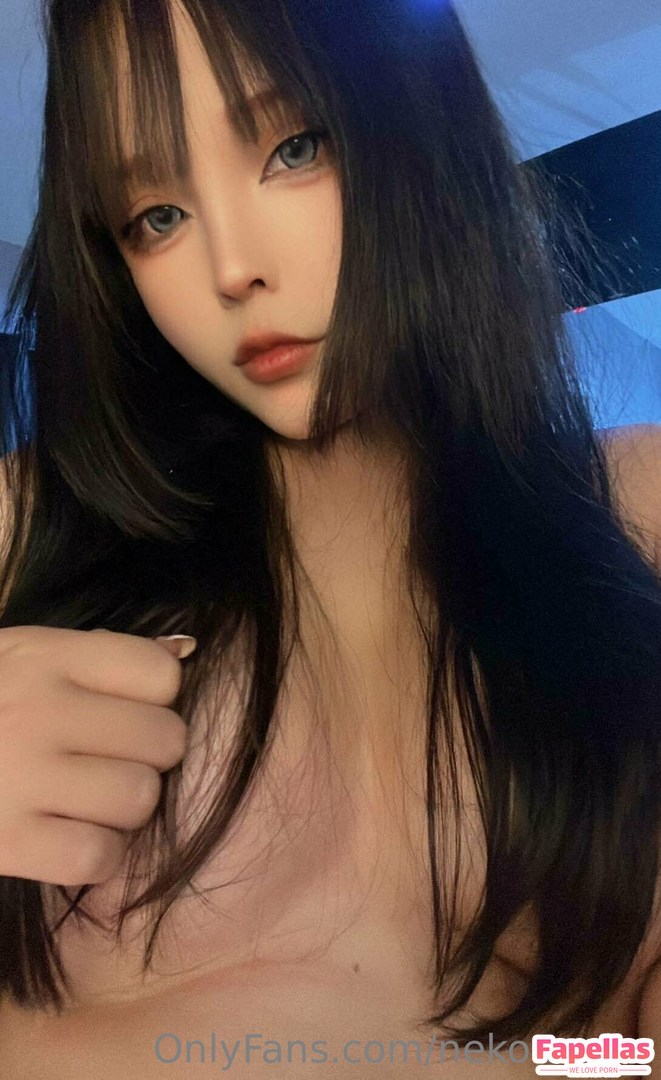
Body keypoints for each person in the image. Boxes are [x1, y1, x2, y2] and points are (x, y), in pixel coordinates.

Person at [0, 0, 660, 1075]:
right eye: (155, 216)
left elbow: (612, 1049)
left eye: (294, 147)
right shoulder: (26, 521)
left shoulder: (635, 505)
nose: (232, 268)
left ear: (424, 132)